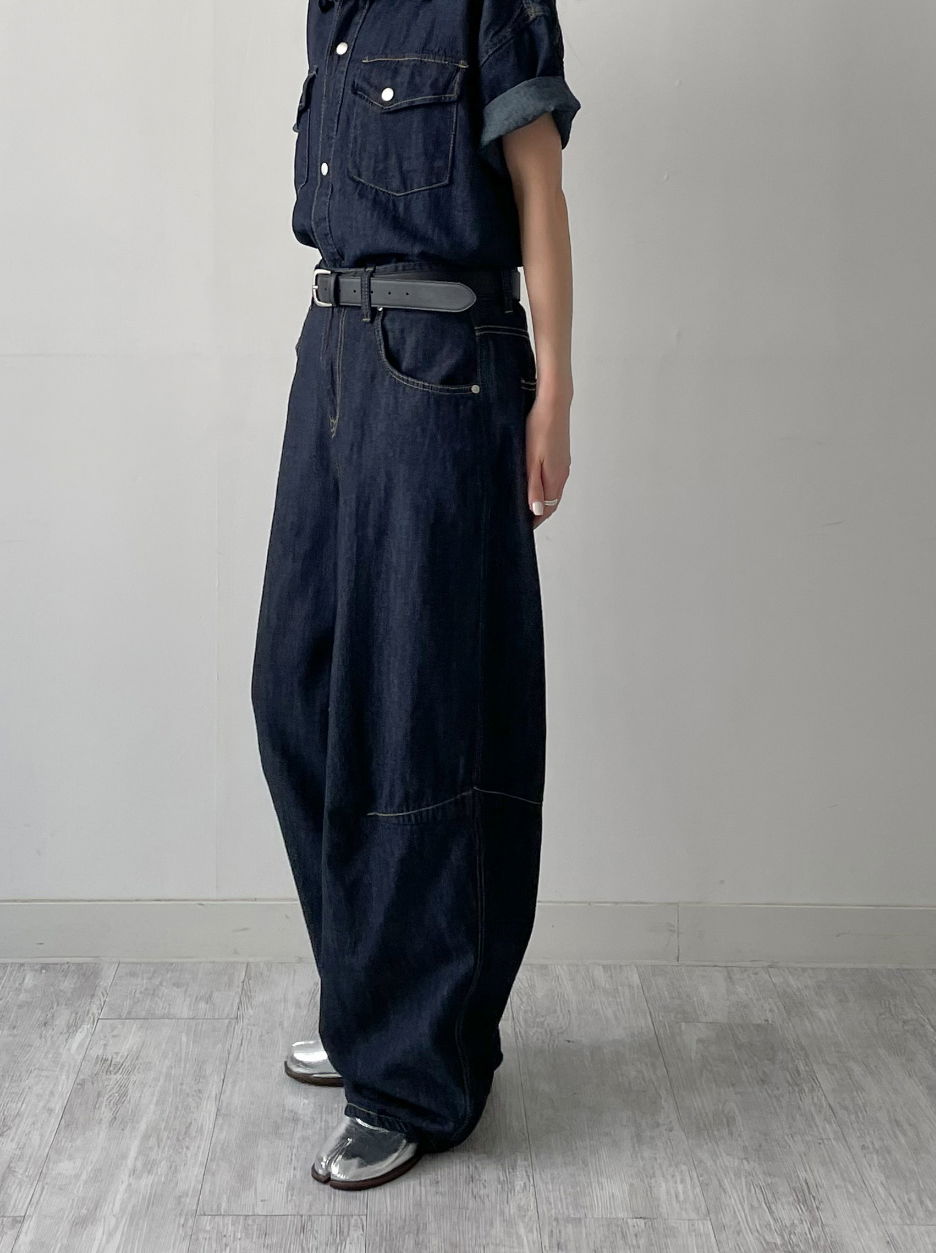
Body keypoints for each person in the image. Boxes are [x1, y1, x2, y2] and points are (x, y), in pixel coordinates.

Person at [251, 0, 580, 1191]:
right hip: (330, 358)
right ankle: (373, 1001)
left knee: (412, 723)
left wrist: (555, 391)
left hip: (443, 368)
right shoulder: (331, 14)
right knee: (294, 692)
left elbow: (537, 189)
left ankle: (411, 1072)